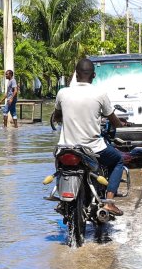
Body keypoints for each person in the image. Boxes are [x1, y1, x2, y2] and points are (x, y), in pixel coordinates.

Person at [53, 58, 133, 216]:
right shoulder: (100, 94)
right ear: (94, 75)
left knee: (60, 167)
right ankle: (109, 202)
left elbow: (56, 117)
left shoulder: (62, 93)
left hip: (66, 147)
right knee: (118, 160)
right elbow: (114, 121)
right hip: (93, 148)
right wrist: (121, 124)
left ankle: (63, 199)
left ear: (76, 75)